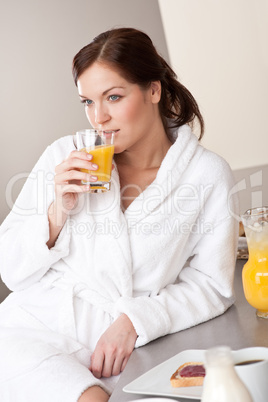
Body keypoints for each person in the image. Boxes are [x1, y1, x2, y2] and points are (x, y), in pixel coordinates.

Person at [0, 27, 239, 402]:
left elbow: (212, 285)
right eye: (88, 102)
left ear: (153, 91)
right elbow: (11, 270)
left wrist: (135, 320)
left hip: (123, 348)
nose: (99, 118)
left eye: (113, 97)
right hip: (34, 328)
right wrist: (57, 210)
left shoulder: (205, 175)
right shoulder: (65, 155)